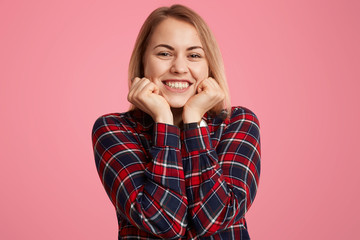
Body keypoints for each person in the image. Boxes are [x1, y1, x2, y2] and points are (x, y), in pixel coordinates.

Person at [92, 4, 261, 240]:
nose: (180, 68)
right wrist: (164, 122)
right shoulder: (113, 129)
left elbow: (216, 217)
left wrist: (194, 122)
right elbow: (163, 223)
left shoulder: (238, 123)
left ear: (209, 65)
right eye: (164, 53)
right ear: (143, 62)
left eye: (194, 55)